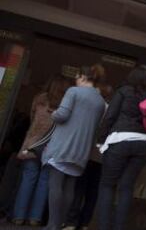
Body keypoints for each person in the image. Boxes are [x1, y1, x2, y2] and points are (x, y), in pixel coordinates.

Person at [42, 65, 106, 230]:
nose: (76, 80)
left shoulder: (73, 92)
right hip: (82, 150)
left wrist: (53, 113)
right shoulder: (100, 101)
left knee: (55, 185)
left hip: (63, 145)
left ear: (83, 77)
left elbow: (62, 115)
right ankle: (61, 223)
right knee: (70, 188)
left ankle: (53, 225)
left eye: (77, 77)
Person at [97, 66, 146, 230]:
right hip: (143, 144)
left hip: (120, 140)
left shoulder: (123, 91)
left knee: (107, 185)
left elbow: (110, 116)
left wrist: (101, 140)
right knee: (127, 187)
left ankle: (103, 227)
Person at [12, 75, 71, 226]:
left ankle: (19, 216)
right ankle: (35, 218)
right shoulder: (67, 104)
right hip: (52, 147)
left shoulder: (40, 99)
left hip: (33, 144)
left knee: (28, 178)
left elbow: (32, 118)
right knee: (45, 182)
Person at [63, 85, 113, 230]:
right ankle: (84, 223)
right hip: (102, 157)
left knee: (79, 188)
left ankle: (71, 222)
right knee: (93, 192)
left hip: (87, 154)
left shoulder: (93, 108)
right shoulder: (111, 111)